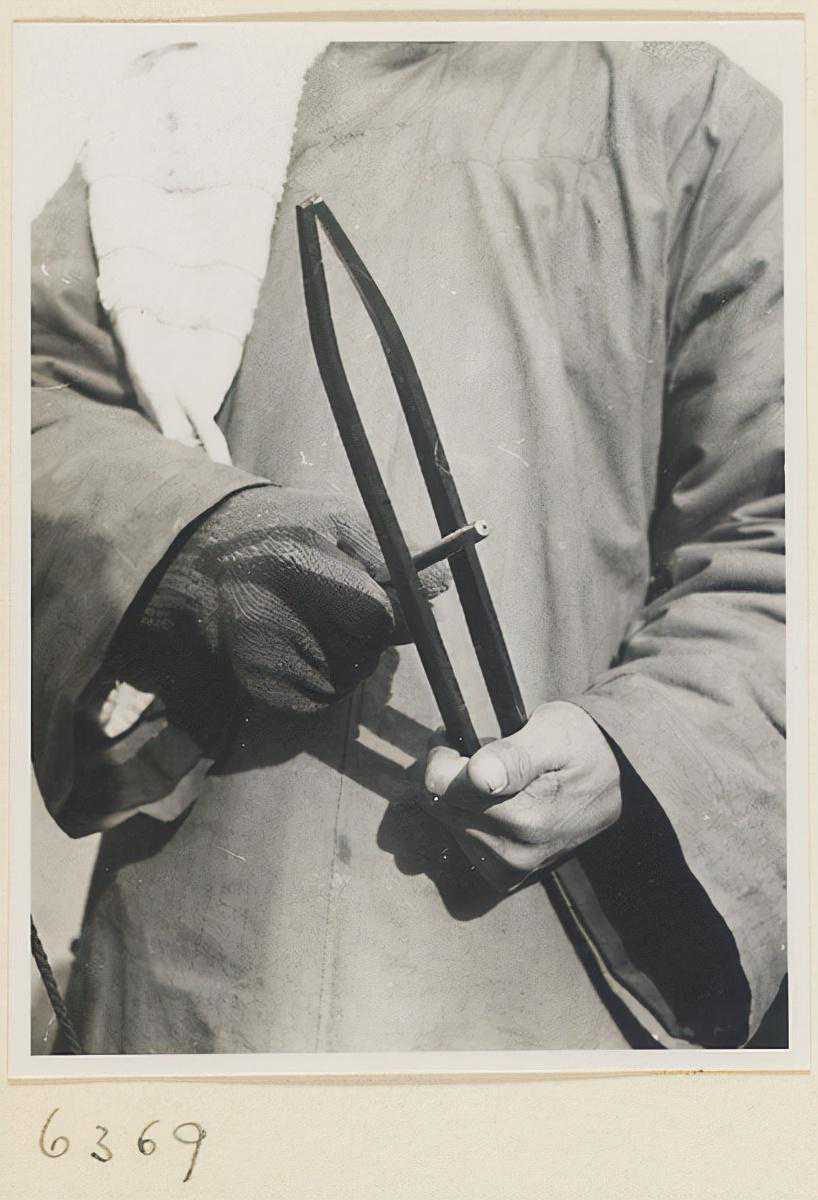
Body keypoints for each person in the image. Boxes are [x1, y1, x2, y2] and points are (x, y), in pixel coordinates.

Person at [32, 39, 785, 1053]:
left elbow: (778, 533)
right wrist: (187, 541)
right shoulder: (186, 102)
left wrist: (633, 750)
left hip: (542, 976)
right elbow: (32, 403)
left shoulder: (690, 110)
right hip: (203, 958)